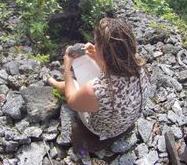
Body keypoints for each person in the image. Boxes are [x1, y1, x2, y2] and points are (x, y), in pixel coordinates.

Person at [44, 17, 150, 152]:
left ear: (104, 52)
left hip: (102, 131)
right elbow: (114, 70)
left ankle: (52, 82)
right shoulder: (141, 68)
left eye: (96, 43)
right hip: (126, 122)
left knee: (73, 84)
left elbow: (71, 101)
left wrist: (67, 67)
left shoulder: (96, 90)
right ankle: (55, 81)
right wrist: (96, 55)